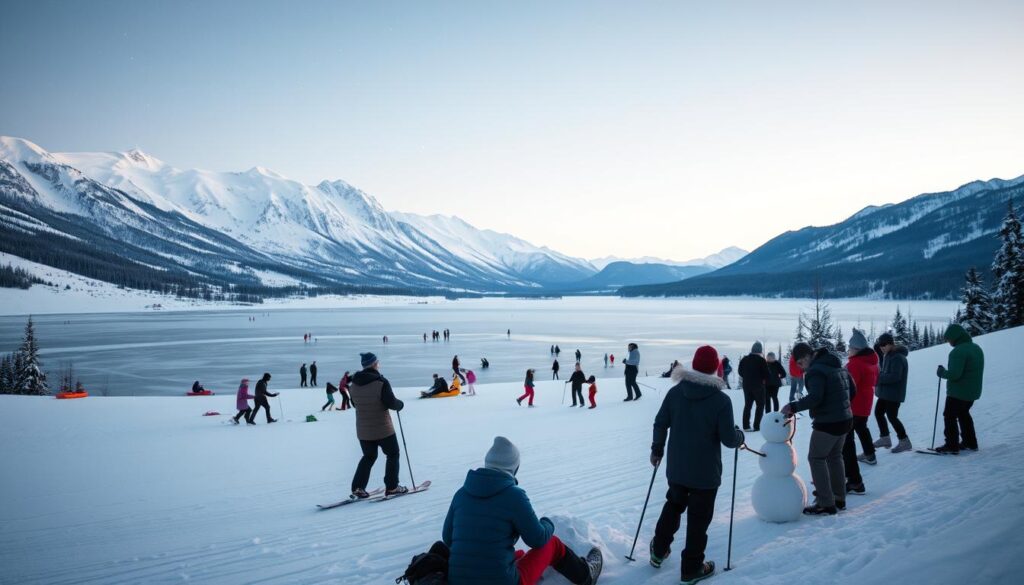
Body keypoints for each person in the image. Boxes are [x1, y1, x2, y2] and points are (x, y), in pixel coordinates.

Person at [441, 436, 603, 585]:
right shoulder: (514, 495)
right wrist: (547, 523)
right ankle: (586, 575)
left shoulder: (461, 494)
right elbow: (537, 539)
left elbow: (448, 538)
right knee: (552, 544)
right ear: (514, 468)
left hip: (458, 581)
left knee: (517, 554)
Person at [650, 346, 744, 583]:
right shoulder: (721, 400)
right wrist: (739, 436)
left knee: (673, 505)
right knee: (698, 519)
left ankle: (658, 550)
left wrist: (657, 449)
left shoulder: (676, 392)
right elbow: (729, 439)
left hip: (678, 468)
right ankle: (691, 569)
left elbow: (660, 423)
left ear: (693, 364)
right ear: (715, 368)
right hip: (705, 473)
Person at [782, 343, 854, 515]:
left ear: (807, 357)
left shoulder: (816, 371)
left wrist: (793, 406)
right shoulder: (837, 366)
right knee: (835, 457)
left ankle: (825, 502)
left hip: (828, 423)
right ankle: (839, 498)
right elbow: (853, 390)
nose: (800, 367)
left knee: (816, 458)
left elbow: (815, 397)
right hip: (845, 419)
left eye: (800, 363)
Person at [350, 352, 408, 497]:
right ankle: (392, 487)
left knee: (368, 456)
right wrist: (400, 404)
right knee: (393, 454)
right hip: (383, 429)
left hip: (363, 430)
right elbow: (391, 403)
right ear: (375, 364)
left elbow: (354, 404)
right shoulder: (381, 382)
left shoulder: (353, 384)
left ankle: (358, 487)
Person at [935, 324, 985, 454]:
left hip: (958, 393)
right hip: (972, 392)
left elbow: (954, 374)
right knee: (964, 414)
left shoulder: (958, 351)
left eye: (949, 339)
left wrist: (942, 372)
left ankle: (952, 445)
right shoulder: (976, 348)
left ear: (955, 337)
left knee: (949, 416)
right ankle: (970, 443)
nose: (948, 342)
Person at [844, 329, 880, 494]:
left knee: (846, 441)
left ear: (856, 349)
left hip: (854, 405)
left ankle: (848, 476)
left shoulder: (855, 364)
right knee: (862, 428)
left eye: (850, 347)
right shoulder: (872, 360)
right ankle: (870, 454)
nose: (848, 350)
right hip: (866, 403)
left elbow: (848, 387)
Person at [872, 333, 912, 453]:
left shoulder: (898, 357)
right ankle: (885, 438)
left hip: (894, 394)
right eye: (880, 345)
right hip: (886, 393)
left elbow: (895, 377)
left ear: (891, 344)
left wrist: (878, 378)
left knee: (892, 416)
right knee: (878, 412)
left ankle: (904, 441)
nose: (882, 347)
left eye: (884, 344)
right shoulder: (889, 355)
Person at [738, 342, 769, 431]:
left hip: (746, 385)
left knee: (748, 405)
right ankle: (757, 425)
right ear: (760, 350)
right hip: (758, 385)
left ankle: (746, 426)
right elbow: (766, 374)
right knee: (760, 405)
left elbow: (740, 371)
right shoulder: (761, 360)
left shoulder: (744, 359)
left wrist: (747, 376)